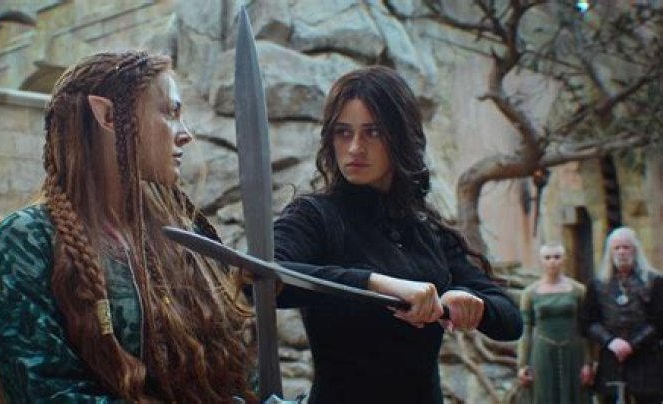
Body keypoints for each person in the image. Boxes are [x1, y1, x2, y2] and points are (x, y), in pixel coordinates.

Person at [0, 51, 256, 403]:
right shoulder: (25, 241)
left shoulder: (185, 235)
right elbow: (48, 392)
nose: (186, 134)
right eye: (171, 113)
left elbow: (236, 369)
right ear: (108, 115)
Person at [272, 66, 523, 404]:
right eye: (343, 132)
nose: (355, 147)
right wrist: (379, 284)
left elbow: (510, 320)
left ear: (400, 137)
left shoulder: (424, 228)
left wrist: (467, 301)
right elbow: (260, 277)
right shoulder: (314, 216)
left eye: (373, 132)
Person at [581, 226, 663, 404]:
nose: (621, 252)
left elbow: (659, 321)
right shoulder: (597, 284)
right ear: (610, 252)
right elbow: (587, 322)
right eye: (616, 248)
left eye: (626, 247)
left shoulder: (654, 281)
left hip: (646, 358)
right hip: (611, 357)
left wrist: (632, 344)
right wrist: (611, 341)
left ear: (635, 250)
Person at [517, 243, 592, 404]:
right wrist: (522, 364)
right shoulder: (529, 293)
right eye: (548, 257)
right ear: (541, 261)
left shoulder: (579, 290)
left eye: (557, 257)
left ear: (564, 259)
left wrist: (588, 362)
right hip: (542, 352)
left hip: (573, 351)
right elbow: (526, 330)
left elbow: (585, 329)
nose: (552, 261)